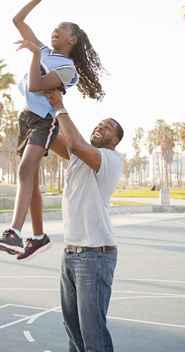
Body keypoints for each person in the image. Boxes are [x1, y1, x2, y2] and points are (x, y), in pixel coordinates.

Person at [0, 0, 105, 260]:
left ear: (73, 39)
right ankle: (39, 236)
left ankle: (14, 232)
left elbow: (36, 84)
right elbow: (17, 21)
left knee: (25, 170)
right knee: (28, 177)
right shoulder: (44, 50)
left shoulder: (67, 69)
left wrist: (33, 56)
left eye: (61, 29)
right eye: (54, 28)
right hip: (26, 116)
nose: (55, 31)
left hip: (45, 120)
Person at [46, 89, 123, 352]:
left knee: (93, 337)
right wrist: (38, 111)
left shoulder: (110, 159)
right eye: (100, 123)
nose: (102, 126)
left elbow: (76, 143)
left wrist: (59, 106)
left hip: (95, 257)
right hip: (70, 254)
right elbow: (55, 139)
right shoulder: (78, 157)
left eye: (109, 127)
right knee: (75, 334)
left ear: (115, 141)